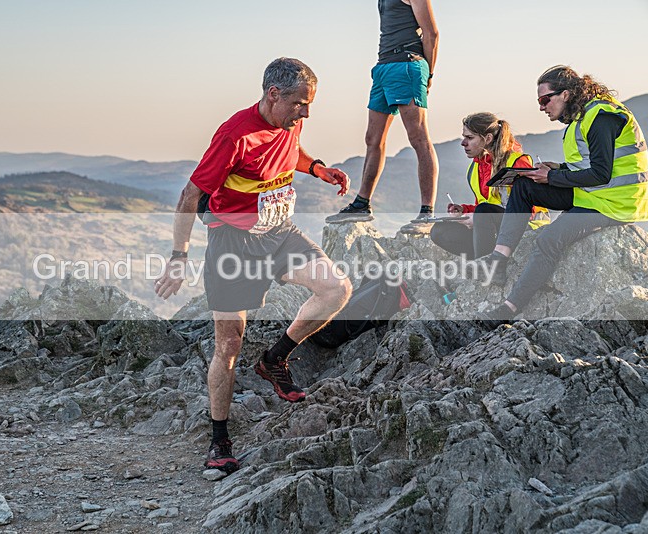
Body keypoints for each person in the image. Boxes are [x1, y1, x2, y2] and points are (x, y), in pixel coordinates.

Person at [154, 58, 353, 474]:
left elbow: (291, 151)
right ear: (272, 94)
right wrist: (178, 257)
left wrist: (317, 168)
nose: (306, 113)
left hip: (280, 232)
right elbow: (190, 196)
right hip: (233, 244)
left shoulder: (289, 121)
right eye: (299, 103)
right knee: (229, 343)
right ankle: (219, 440)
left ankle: (274, 360)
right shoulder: (234, 136)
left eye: (309, 104)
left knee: (336, 289)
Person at [476, 65, 648, 324]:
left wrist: (552, 177)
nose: (541, 107)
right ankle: (499, 259)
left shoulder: (601, 116)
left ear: (566, 94)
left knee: (549, 239)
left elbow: (601, 173)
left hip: (616, 203)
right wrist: (557, 168)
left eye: (544, 100)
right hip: (592, 194)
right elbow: (588, 166)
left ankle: (509, 309)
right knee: (524, 185)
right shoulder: (581, 119)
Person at [326, 0, 439, 235]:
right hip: (383, 67)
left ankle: (427, 212)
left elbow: (432, 34)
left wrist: (428, 75)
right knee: (372, 139)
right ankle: (361, 204)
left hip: (407, 64)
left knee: (418, 138)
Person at [430, 112, 549, 260]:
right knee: (439, 231)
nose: (463, 143)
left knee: (482, 213)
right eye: (464, 137)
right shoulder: (474, 168)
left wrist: (478, 217)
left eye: (469, 138)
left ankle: (486, 267)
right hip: (494, 226)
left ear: (487, 139)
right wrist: (465, 211)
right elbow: (486, 206)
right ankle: (482, 259)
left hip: (527, 226)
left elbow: (527, 211)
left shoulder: (517, 162)